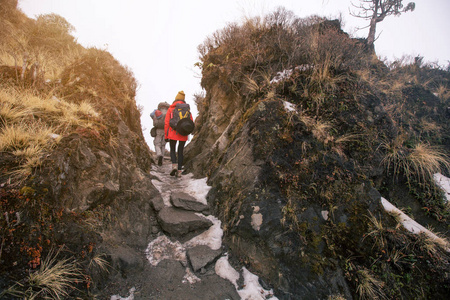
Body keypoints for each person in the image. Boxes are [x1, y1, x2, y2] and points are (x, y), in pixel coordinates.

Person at [164, 91, 193, 178]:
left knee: (172, 149)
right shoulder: (187, 110)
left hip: (173, 132)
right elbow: (191, 122)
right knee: (180, 152)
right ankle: (179, 171)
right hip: (183, 133)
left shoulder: (171, 109)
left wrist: (166, 136)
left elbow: (166, 123)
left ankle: (174, 166)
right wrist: (187, 132)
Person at [150, 102, 170, 166]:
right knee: (163, 145)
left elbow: (153, 118)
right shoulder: (169, 113)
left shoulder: (157, 112)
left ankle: (159, 154)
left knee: (157, 144)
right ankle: (162, 158)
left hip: (158, 130)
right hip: (166, 130)